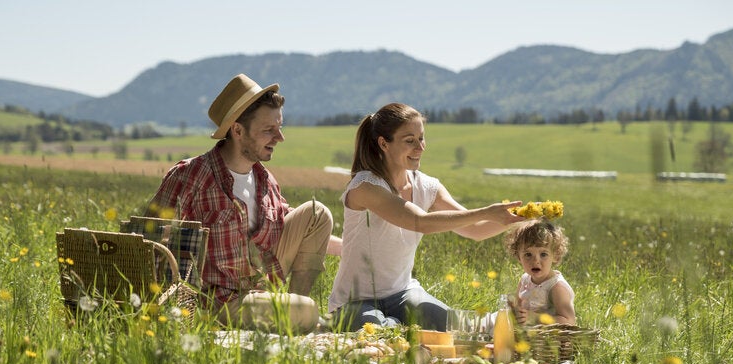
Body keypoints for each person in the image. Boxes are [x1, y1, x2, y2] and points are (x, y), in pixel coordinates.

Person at [146, 74, 337, 327]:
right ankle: (298, 315)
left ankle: (294, 307)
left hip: (262, 288)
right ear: (237, 130)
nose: (279, 137)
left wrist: (357, 249)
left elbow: (295, 227)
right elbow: (149, 238)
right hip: (218, 301)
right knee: (309, 314)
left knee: (317, 212)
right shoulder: (190, 175)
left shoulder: (265, 179)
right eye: (269, 130)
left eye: (280, 127)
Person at [328, 103, 527, 331]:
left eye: (422, 138)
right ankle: (398, 326)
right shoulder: (365, 186)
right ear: (384, 143)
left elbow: (476, 229)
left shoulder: (427, 186)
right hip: (355, 301)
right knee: (379, 338)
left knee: (455, 329)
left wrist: (521, 218)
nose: (420, 147)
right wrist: (486, 211)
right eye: (410, 140)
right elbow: (419, 222)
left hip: (403, 293)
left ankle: (407, 325)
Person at [505, 218, 576, 326]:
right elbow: (519, 305)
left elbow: (569, 321)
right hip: (526, 335)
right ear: (519, 257)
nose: (535, 261)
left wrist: (535, 317)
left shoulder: (556, 287)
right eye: (528, 254)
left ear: (555, 255)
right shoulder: (525, 279)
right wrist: (514, 309)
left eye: (543, 254)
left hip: (547, 339)